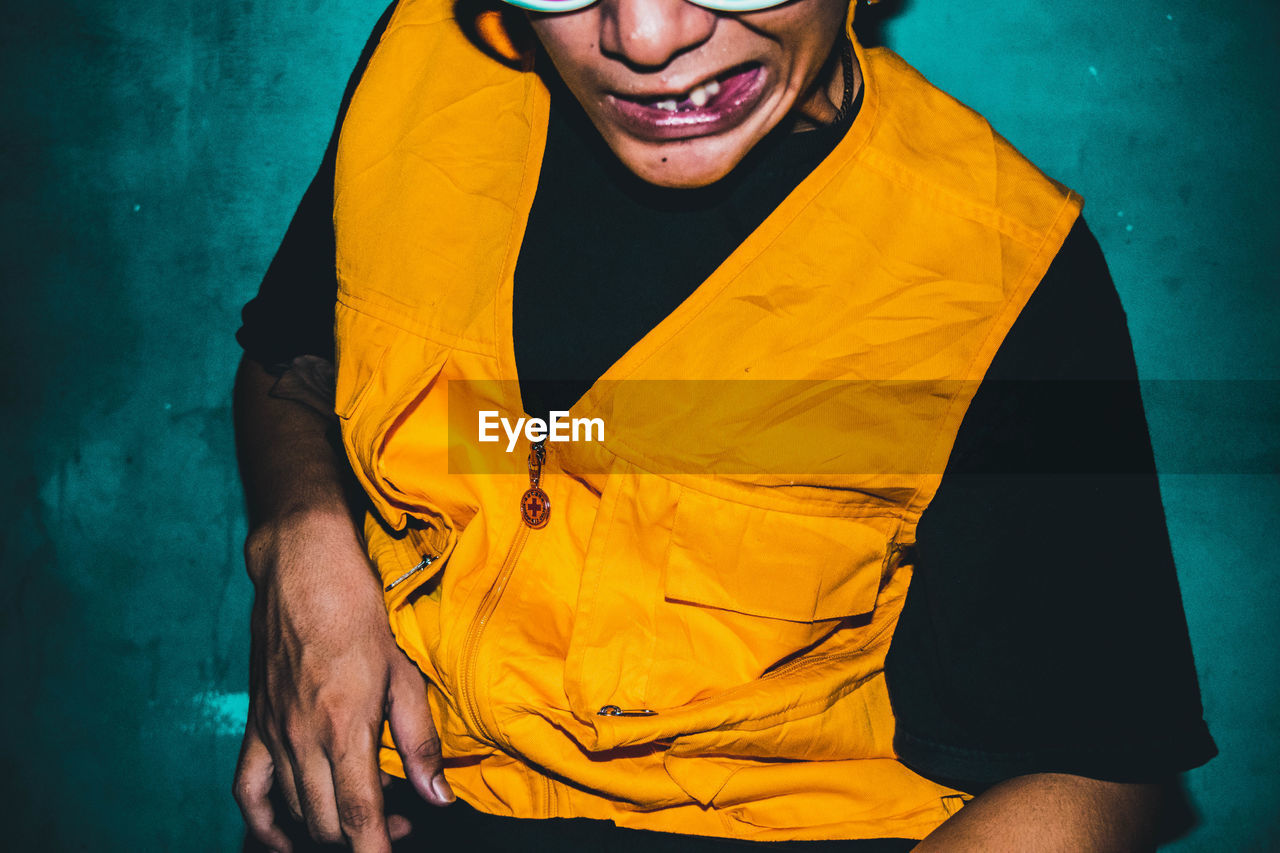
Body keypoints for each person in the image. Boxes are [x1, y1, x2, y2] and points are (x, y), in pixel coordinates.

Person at [232, 1, 1217, 850]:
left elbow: (1098, 774)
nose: (647, 37)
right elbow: (292, 361)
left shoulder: (998, 269)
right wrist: (297, 540)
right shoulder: (427, 61)